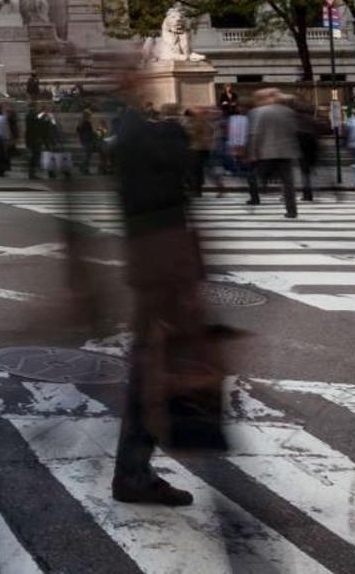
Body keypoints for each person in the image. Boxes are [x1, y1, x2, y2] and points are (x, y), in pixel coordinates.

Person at [109, 103, 227, 505]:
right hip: (162, 283)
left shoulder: (137, 169)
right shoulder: (157, 177)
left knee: (149, 374)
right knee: (153, 375)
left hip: (154, 278)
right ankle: (133, 472)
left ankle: (133, 470)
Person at [245, 88, 300, 219]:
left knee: (255, 176)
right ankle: (291, 210)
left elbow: (256, 134)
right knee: (288, 183)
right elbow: (294, 131)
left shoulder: (263, 112)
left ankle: (256, 195)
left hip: (267, 152)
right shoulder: (289, 112)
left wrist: (253, 152)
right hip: (285, 152)